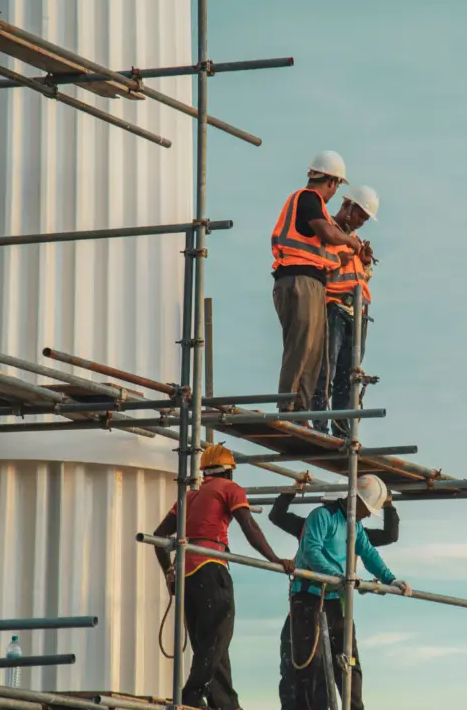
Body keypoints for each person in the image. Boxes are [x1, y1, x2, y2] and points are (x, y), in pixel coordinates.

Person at [152, 443, 295, 710]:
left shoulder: (189, 497)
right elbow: (248, 525)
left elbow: (159, 538)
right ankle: (191, 696)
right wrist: (275, 559)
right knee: (217, 637)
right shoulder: (229, 489)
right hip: (210, 566)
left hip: (186, 574)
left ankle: (224, 702)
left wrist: (169, 573)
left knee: (209, 642)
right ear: (229, 472)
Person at [269, 474, 400, 710]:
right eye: (368, 508)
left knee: (349, 661)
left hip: (334, 599)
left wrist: (391, 579)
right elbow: (311, 551)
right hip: (309, 598)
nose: (369, 514)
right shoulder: (322, 517)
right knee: (312, 666)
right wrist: (337, 577)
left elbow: (369, 554)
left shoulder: (355, 526)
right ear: (356, 500)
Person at [271, 151, 363, 418]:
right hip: (298, 281)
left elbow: (321, 249)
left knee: (313, 351)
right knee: (301, 346)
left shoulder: (312, 206)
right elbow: (326, 232)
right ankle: (289, 406)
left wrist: (346, 255)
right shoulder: (308, 198)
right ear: (332, 181)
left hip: (308, 281)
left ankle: (301, 409)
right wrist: (350, 241)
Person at [310, 185, 379, 438]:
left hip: (355, 313)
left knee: (348, 377)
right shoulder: (327, 229)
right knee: (325, 369)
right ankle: (318, 424)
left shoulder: (356, 242)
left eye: (365, 218)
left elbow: (362, 277)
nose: (361, 222)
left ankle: (341, 431)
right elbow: (320, 264)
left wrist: (367, 262)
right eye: (360, 215)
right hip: (333, 307)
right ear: (347, 206)